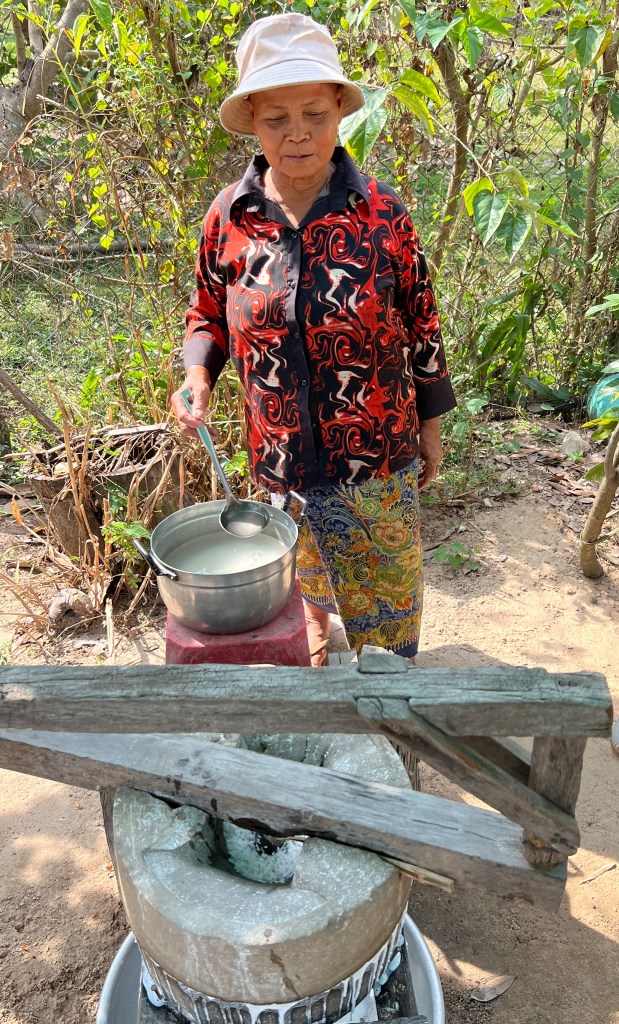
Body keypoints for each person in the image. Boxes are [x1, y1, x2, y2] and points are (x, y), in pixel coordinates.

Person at [171, 12, 456, 665]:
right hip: (282, 457)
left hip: (376, 457)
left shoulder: (383, 213)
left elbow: (422, 322)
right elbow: (206, 312)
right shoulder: (229, 217)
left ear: (339, 112)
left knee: (386, 612)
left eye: (314, 115)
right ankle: (319, 632)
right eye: (276, 118)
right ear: (252, 119)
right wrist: (197, 375)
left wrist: (431, 427)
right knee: (306, 569)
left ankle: (387, 683)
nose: (297, 133)